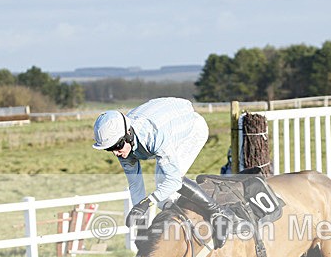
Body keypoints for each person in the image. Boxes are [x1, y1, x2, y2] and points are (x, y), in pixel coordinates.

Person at [92, 97, 230, 248]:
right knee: (163, 198)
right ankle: (176, 231)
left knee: (165, 181)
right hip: (168, 126)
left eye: (117, 146)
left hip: (191, 131)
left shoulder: (153, 135)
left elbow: (174, 181)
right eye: (109, 149)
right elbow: (136, 185)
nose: (116, 153)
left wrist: (146, 203)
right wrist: (141, 227)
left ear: (128, 133)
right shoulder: (122, 148)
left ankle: (218, 213)